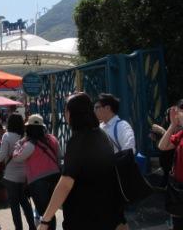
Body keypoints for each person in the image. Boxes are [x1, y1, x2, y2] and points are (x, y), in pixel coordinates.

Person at [38, 92, 119, 230]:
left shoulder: (78, 141)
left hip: (84, 217)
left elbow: (65, 184)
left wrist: (45, 220)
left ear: (70, 114)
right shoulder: (101, 135)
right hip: (107, 213)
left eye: (65, 111)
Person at [13, 114, 60, 230]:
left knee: (44, 212)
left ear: (28, 129)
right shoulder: (52, 139)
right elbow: (58, 156)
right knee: (51, 211)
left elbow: (16, 157)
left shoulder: (29, 145)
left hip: (38, 182)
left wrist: (18, 144)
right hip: (55, 178)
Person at [95, 93, 135, 229]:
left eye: (97, 107)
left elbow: (129, 151)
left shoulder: (122, 126)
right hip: (101, 180)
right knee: (111, 217)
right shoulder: (99, 128)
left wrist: (110, 163)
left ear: (107, 108)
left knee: (116, 217)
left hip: (116, 180)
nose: (94, 110)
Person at [0, 113, 36, 230]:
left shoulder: (7, 136)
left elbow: (1, 156)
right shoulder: (25, 136)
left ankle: (18, 228)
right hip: (25, 176)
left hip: (11, 176)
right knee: (25, 202)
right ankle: (32, 226)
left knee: (14, 206)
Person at [158, 99, 183, 230]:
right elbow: (162, 146)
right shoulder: (180, 134)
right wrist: (172, 126)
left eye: (178, 112)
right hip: (179, 190)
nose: (176, 115)